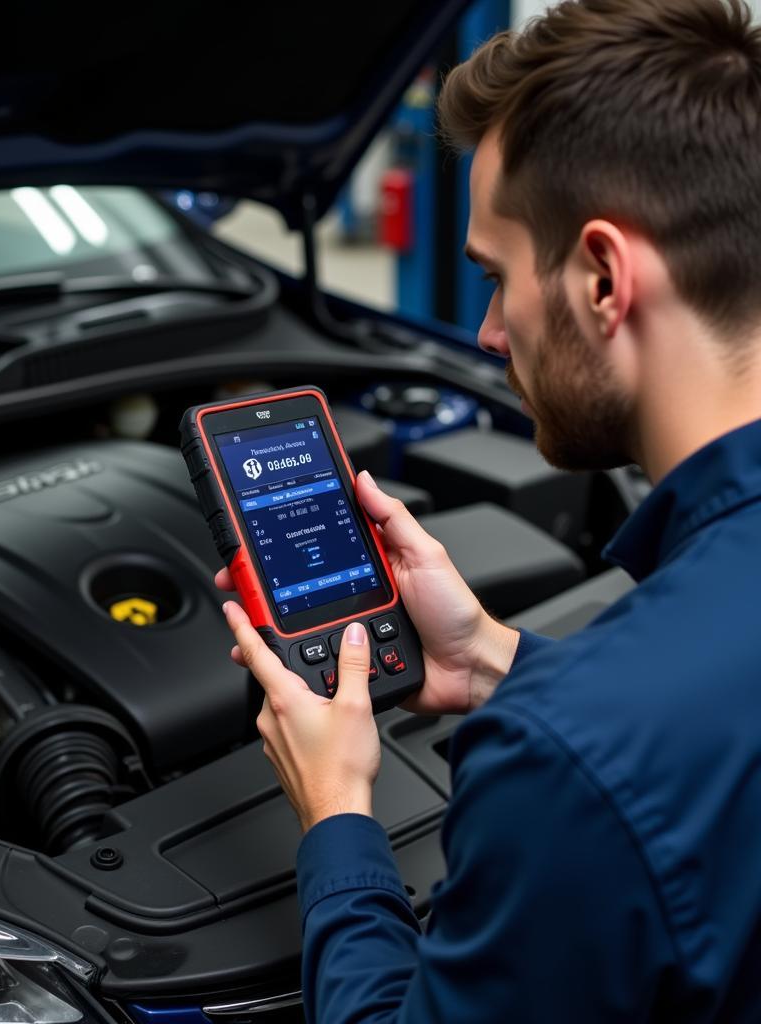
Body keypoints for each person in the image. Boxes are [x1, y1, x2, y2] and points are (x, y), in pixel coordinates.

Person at [216, 0, 761, 1019]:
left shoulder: (563, 761)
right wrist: (497, 658)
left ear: (602, 277)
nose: (485, 333)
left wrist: (335, 817)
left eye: (495, 276)